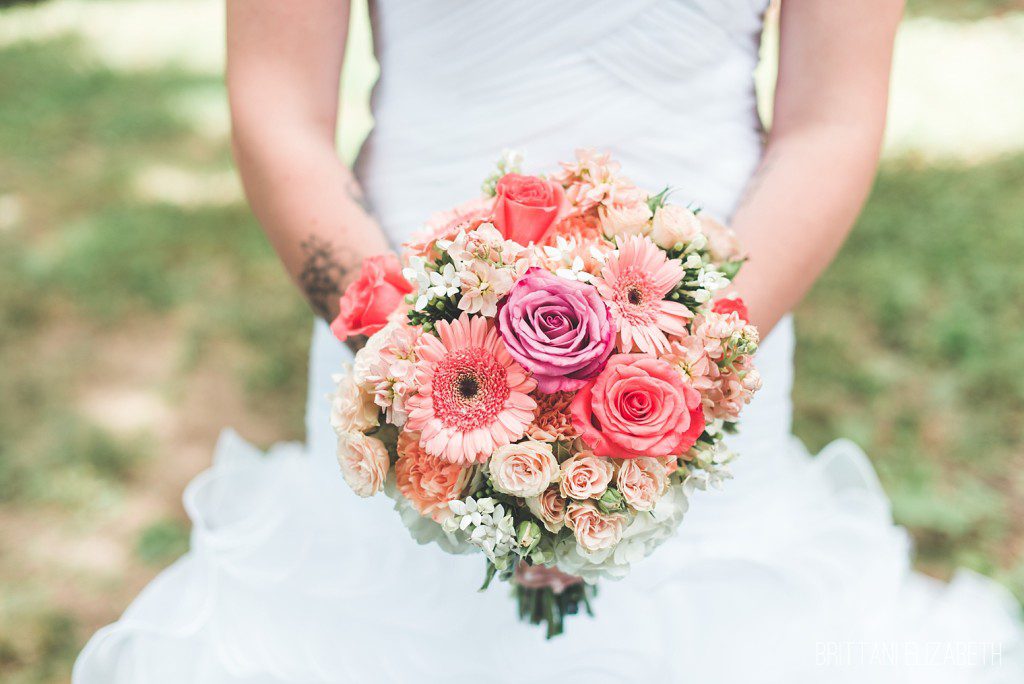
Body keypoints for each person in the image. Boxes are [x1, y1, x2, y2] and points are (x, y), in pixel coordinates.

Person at [75, 1, 1024, 682]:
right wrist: (414, 354)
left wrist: (681, 367)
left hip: (723, 308)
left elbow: (832, 121)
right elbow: (279, 109)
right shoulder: (404, 349)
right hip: (400, 316)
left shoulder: (699, 350)